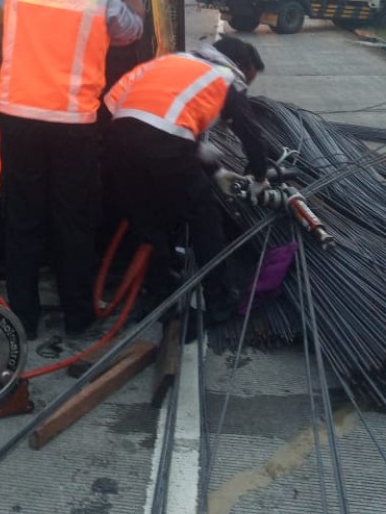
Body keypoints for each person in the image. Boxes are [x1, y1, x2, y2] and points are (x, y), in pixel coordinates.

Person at [0, 0, 145, 338]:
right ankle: (77, 318)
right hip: (73, 127)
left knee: (23, 223)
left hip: (19, 121)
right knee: (74, 224)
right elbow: (134, 30)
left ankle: (24, 320)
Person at [102, 36, 268, 314]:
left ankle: (161, 293)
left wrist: (215, 169)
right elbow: (251, 133)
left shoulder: (169, 62)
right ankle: (219, 299)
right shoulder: (225, 76)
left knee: (149, 222)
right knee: (204, 218)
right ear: (240, 65)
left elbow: (119, 105)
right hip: (164, 146)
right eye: (249, 78)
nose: (246, 87)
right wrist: (260, 178)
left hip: (118, 141)